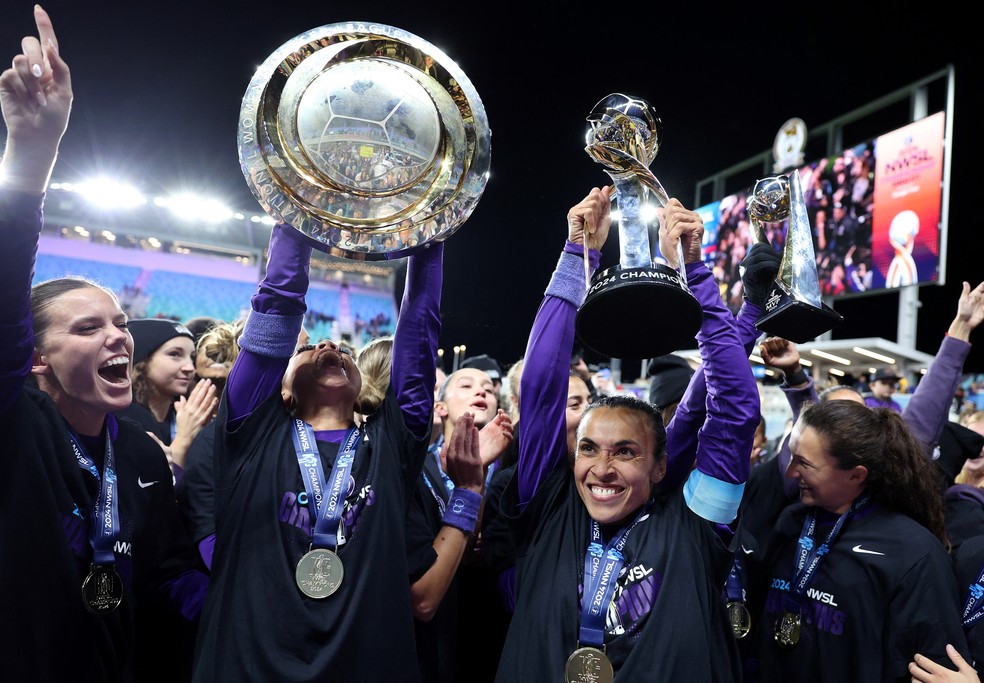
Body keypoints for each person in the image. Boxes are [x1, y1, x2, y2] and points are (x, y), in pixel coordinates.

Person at [0, 7, 208, 681]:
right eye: (86, 327)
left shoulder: (141, 456)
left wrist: (252, 605)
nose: (117, 333)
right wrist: (31, 159)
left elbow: (168, 575)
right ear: (36, 356)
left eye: (118, 322)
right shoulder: (16, 424)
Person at [493, 187, 760, 681]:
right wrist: (578, 254)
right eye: (589, 447)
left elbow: (736, 408)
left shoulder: (698, 524)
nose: (602, 468)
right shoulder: (548, 505)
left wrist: (694, 272)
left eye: (626, 452)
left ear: (660, 466)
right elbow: (540, 384)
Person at [191, 202, 445, 680]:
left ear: (362, 387)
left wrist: (430, 234)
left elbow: (420, 331)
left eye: (343, 350)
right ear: (279, 389)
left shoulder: (390, 445)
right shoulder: (251, 435)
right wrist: (297, 208)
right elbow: (276, 310)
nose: (329, 346)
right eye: (309, 349)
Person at [747, 399, 969, 681]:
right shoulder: (790, 522)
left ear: (856, 475)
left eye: (804, 463)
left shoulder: (913, 553)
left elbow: (934, 666)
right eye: (791, 456)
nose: (790, 472)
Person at [116, 318, 218, 479]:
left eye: (192, 357)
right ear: (142, 360)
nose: (190, 368)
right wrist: (183, 439)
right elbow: (154, 489)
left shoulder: (187, 413)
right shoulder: (122, 418)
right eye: (175, 354)